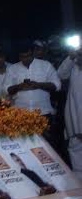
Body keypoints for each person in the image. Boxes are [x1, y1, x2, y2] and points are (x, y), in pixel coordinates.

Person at [5, 43, 61, 155]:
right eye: (23, 56)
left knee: (47, 147)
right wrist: (19, 86)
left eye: (29, 56)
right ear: (19, 56)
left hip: (43, 114)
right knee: (24, 148)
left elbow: (57, 85)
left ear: (33, 53)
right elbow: (6, 89)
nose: (26, 59)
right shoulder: (12, 68)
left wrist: (38, 85)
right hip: (21, 115)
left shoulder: (46, 65)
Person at [58, 49, 82, 178]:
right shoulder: (74, 65)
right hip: (74, 115)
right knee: (75, 147)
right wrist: (71, 57)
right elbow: (61, 74)